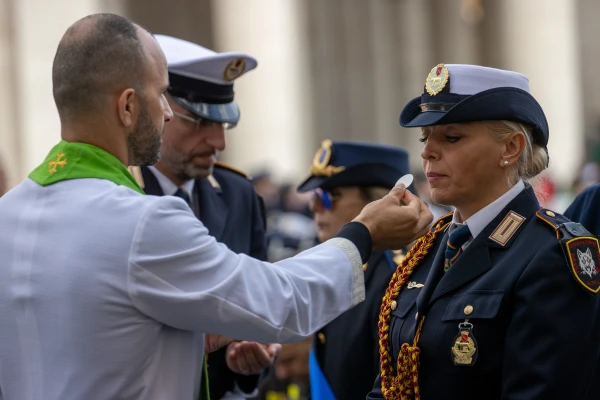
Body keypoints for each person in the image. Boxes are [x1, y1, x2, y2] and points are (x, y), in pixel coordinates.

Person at [0, 13, 433, 400]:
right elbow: (281, 302)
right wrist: (363, 235)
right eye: (162, 94)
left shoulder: (9, 214)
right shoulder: (142, 221)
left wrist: (192, 340)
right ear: (128, 106)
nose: (167, 112)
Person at [367, 64, 600, 400]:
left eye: (451, 137)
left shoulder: (550, 254)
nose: (427, 151)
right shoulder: (432, 245)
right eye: (425, 137)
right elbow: (390, 385)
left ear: (510, 148)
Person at [134, 34, 272, 399]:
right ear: (158, 111)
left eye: (223, 124)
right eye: (199, 122)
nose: (218, 142)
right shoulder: (121, 197)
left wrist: (248, 360)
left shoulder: (239, 194)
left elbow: (256, 307)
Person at [295, 139, 415, 400]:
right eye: (315, 196)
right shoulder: (345, 265)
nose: (315, 207)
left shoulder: (397, 275)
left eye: (329, 196)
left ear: (379, 201)